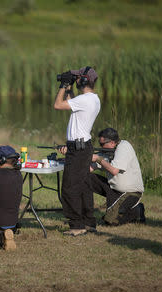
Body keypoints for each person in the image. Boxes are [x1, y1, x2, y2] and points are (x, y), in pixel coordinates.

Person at [54, 66, 101, 236]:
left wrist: (63, 86)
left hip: (78, 149)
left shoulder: (85, 100)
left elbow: (58, 105)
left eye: (77, 78)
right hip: (84, 147)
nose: (76, 80)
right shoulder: (92, 99)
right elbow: (73, 102)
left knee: (69, 188)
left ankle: (76, 225)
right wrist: (70, 89)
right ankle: (88, 222)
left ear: (83, 80)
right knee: (84, 186)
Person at [89, 128, 145, 225]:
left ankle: (137, 210)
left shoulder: (124, 147)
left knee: (111, 221)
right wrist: (73, 158)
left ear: (112, 143)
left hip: (131, 193)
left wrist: (98, 159)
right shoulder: (108, 152)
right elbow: (90, 168)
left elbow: (114, 170)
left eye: (102, 144)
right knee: (86, 177)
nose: (100, 147)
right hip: (113, 189)